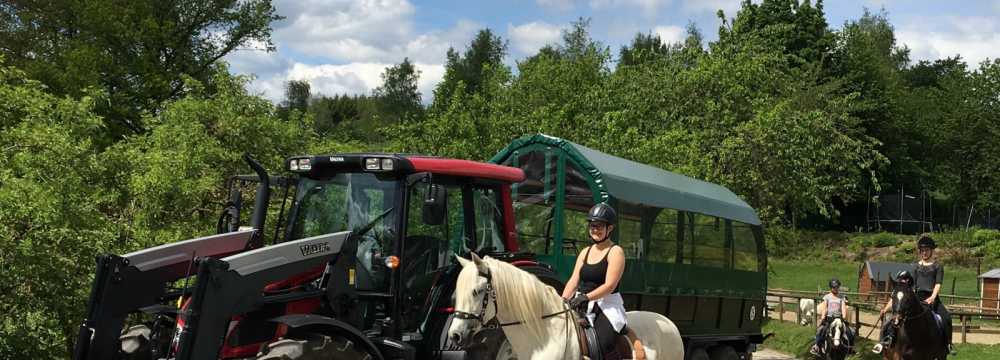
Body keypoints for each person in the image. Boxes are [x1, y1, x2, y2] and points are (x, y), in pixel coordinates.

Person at [562, 203, 645, 360]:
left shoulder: (616, 252)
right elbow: (574, 280)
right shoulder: (585, 252)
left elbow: (609, 285)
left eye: (600, 226)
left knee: (603, 342)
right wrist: (563, 300)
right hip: (581, 303)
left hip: (607, 306)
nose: (595, 230)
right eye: (593, 226)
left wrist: (586, 297)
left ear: (610, 228)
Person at [874, 234, 954, 355]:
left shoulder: (938, 266)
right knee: (895, 319)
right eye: (922, 251)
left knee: (946, 318)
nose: (924, 253)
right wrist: (886, 308)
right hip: (917, 299)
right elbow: (910, 287)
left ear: (931, 250)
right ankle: (886, 340)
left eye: (926, 250)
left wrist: (932, 297)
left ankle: (947, 345)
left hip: (932, 299)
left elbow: (938, 284)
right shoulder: (915, 267)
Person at [810, 278, 853, 356]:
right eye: (834, 287)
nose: (836, 289)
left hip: (839, 319)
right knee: (821, 330)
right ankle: (817, 346)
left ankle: (850, 349)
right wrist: (823, 317)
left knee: (850, 332)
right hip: (829, 318)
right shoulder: (827, 297)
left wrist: (844, 317)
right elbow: (825, 307)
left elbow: (843, 308)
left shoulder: (841, 297)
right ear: (831, 288)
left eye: (837, 287)